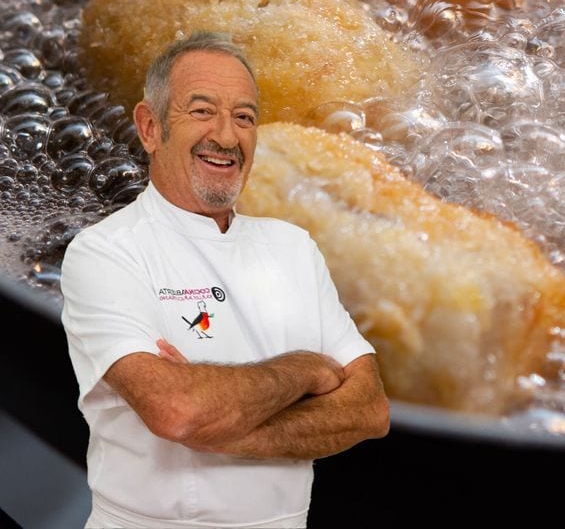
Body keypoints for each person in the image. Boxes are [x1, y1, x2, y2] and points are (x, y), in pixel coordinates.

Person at [60, 31, 389, 529]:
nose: (228, 137)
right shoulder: (107, 251)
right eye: (202, 111)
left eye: (244, 117)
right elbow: (178, 411)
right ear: (150, 128)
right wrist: (306, 370)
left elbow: (369, 411)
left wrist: (224, 428)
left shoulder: (294, 246)